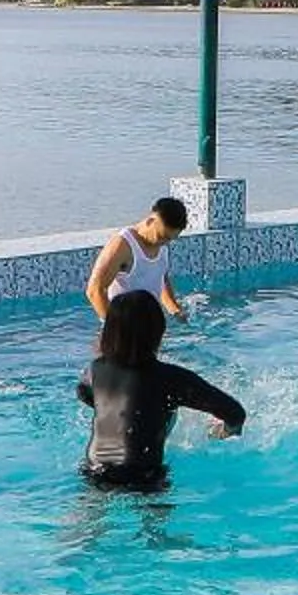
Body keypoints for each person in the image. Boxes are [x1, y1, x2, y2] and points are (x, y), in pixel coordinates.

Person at [77, 290, 245, 490]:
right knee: (154, 518)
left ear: (109, 331)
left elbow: (83, 393)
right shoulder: (172, 379)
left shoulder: (95, 370)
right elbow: (235, 413)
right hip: (145, 477)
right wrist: (222, 432)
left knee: (91, 515)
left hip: (96, 471)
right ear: (159, 331)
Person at [87, 195, 189, 324]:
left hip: (149, 326)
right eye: (162, 236)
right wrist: (116, 329)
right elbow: (95, 290)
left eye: (170, 239)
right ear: (150, 221)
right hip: (122, 326)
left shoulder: (162, 244)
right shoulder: (122, 245)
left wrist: (174, 309)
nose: (164, 243)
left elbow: (161, 277)